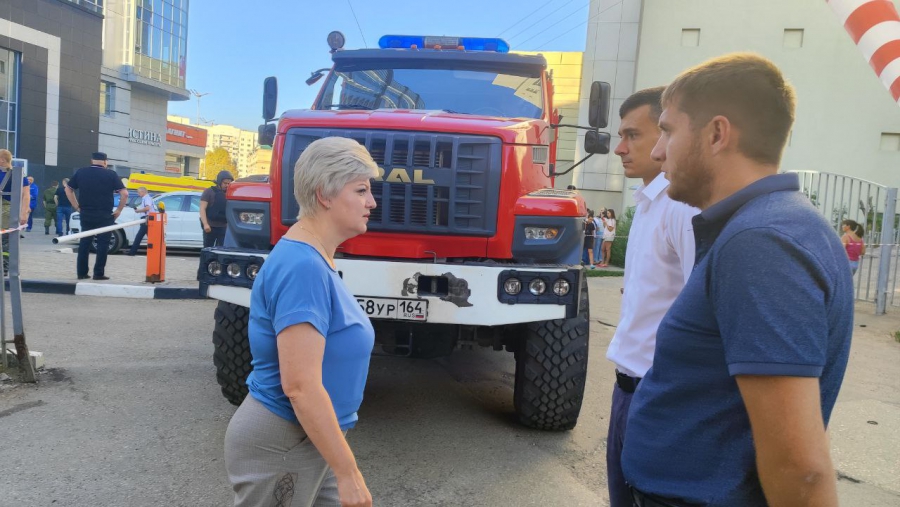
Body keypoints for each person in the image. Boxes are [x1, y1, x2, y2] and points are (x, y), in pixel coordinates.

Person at [622, 53, 853, 507]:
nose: (656, 150)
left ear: (716, 133)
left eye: (667, 130)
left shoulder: (761, 243)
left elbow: (800, 468)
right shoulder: (764, 227)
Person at [224, 137, 377, 507]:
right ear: (325, 193)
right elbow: (301, 386)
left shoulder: (313, 258)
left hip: (309, 438)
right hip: (283, 442)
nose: (372, 202)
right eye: (361, 190)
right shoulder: (303, 267)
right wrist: (348, 472)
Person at [603, 87, 698, 507]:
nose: (620, 148)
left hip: (659, 397)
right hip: (628, 391)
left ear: (665, 134)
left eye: (632, 135)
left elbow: (704, 307)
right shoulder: (647, 204)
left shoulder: (681, 207)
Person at [65, 152, 128, 280]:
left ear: (91, 161)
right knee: (103, 244)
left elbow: (68, 189)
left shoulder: (81, 172)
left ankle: (81, 273)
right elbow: (125, 194)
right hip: (105, 214)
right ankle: (98, 273)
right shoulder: (111, 174)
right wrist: (119, 210)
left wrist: (76, 206)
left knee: (85, 242)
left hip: (86, 213)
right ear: (105, 162)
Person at [0, 149, 31, 273]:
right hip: (11, 208)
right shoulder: (19, 173)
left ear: (2, 159)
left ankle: (4, 267)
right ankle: (6, 267)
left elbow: (26, 194)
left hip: (6, 208)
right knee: (7, 238)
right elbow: (26, 195)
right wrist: (24, 213)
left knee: (5, 238)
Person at [200, 170, 233, 248]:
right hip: (210, 227)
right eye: (225, 183)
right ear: (219, 182)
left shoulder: (231, 193)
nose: (227, 185)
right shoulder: (209, 192)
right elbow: (202, 209)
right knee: (207, 249)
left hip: (223, 227)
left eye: (229, 183)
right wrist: (205, 224)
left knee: (221, 250)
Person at [127, 186, 155, 256]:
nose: (138, 194)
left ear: (143, 192)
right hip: (148, 219)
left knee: (139, 236)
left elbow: (148, 208)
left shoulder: (146, 198)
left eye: (139, 192)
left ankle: (132, 252)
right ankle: (154, 252)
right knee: (150, 237)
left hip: (146, 219)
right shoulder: (147, 198)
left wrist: (138, 210)